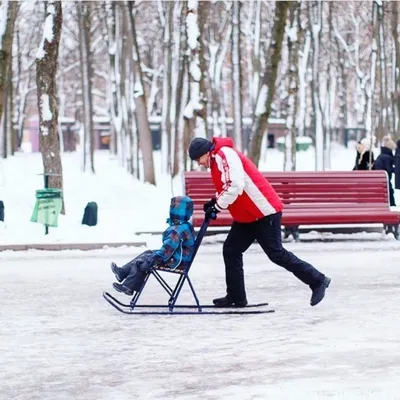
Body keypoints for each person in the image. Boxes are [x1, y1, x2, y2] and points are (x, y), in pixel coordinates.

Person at [188, 136, 331, 307]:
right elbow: (227, 185)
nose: (199, 163)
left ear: (205, 152)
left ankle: (317, 280)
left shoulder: (223, 154)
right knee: (231, 250)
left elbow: (235, 185)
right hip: (247, 216)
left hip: (264, 212)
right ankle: (236, 297)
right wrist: (215, 201)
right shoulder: (217, 159)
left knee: (276, 254)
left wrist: (218, 206)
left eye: (198, 159)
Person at [110, 196, 196, 295]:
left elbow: (166, 252)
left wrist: (153, 260)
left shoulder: (176, 231)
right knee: (147, 253)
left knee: (142, 262)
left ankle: (128, 287)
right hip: (179, 257)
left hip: (176, 261)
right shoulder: (184, 225)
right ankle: (122, 272)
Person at [374, 135, 396, 206]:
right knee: (390, 191)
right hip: (384, 179)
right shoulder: (387, 157)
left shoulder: (382, 154)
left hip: (380, 178)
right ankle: (392, 205)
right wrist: (396, 170)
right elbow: (389, 169)